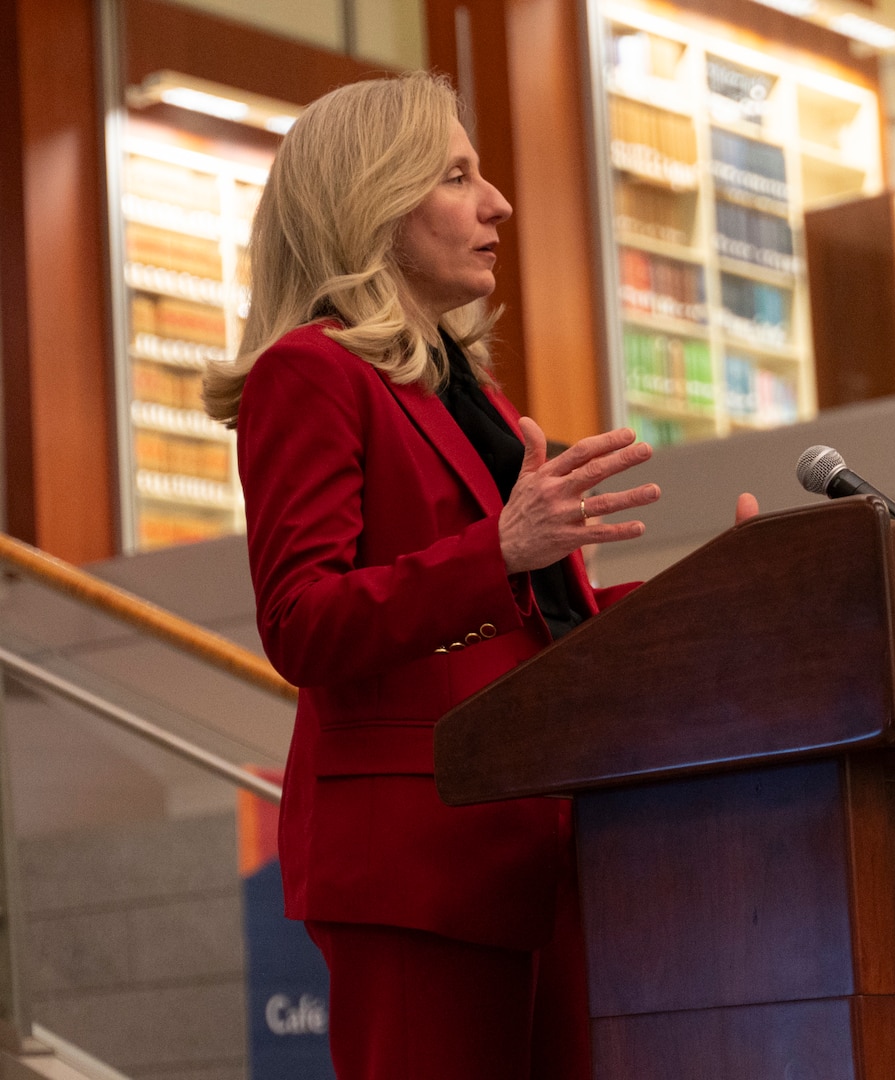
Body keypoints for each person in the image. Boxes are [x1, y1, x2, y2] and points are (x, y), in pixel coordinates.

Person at [202, 73, 754, 1079]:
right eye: (458, 176)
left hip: (545, 849)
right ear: (371, 201)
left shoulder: (472, 398)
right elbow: (300, 623)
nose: (497, 203)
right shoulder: (310, 373)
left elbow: (540, 626)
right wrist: (494, 549)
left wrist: (719, 594)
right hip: (421, 864)